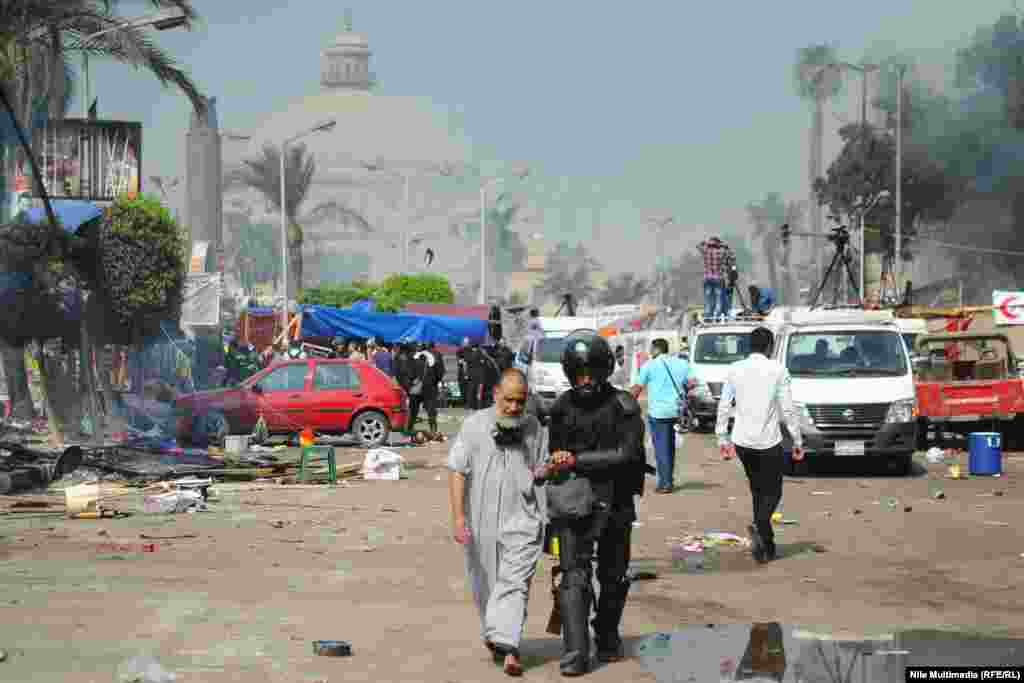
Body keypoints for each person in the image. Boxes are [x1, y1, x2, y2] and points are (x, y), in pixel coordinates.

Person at [541, 333, 647, 676]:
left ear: (605, 370)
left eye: (592, 371)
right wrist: (560, 460)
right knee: (574, 577)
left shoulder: (624, 406)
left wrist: (575, 459)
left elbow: (626, 454)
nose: (585, 379)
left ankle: (607, 636)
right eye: (579, 372)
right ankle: (575, 653)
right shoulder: (561, 407)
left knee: (614, 577)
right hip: (575, 503)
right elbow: (555, 454)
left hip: (617, 502)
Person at [448, 369, 548, 677]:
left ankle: (510, 647)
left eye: (521, 401)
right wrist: (459, 518)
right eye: (509, 401)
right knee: (487, 582)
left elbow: (541, 468)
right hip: (482, 519)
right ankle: (495, 633)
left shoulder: (534, 427)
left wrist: (547, 470)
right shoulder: (475, 425)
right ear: (495, 395)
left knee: (515, 582)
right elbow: (457, 470)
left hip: (524, 517)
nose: (515, 408)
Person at [715, 326, 803, 563]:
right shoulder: (778, 370)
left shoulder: (734, 370)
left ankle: (767, 545)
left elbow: (724, 405)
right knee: (773, 490)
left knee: (757, 489)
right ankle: (760, 524)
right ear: (770, 347)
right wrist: (797, 439)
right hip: (768, 441)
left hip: (742, 441)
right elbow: (787, 409)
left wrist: (721, 437)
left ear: (749, 346)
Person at [630, 338, 700, 494]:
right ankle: (668, 478)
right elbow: (693, 382)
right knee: (669, 445)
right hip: (677, 411)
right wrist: (683, 391)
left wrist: (625, 405)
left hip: (658, 413)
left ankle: (665, 483)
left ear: (655, 350)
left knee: (662, 448)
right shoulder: (682, 363)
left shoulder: (649, 365)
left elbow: (637, 389)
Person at [697, 236, 730, 320]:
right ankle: (717, 316)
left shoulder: (705, 250)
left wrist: (706, 243)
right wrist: (722, 245)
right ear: (717, 244)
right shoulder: (721, 251)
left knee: (708, 298)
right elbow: (728, 252)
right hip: (718, 278)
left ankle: (708, 316)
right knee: (718, 297)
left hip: (707, 278)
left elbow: (699, 245)